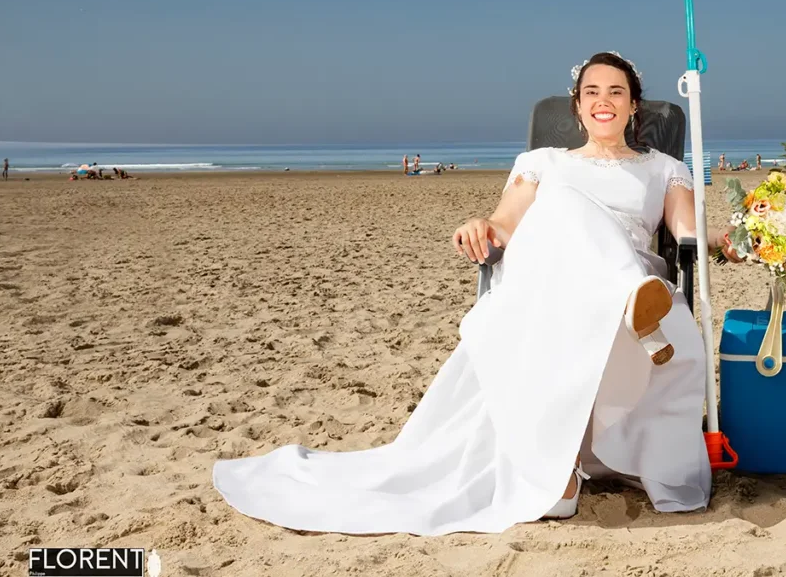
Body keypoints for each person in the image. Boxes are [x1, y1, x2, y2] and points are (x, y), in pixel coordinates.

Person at [213, 51, 740, 534]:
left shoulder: (664, 168)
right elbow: (506, 224)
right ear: (578, 107)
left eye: (616, 92)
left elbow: (689, 233)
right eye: (592, 92)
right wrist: (480, 224)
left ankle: (625, 306)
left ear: (633, 105)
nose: (604, 101)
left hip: (634, 279)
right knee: (562, 208)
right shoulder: (543, 163)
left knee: (569, 212)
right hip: (554, 284)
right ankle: (617, 332)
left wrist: (737, 238)